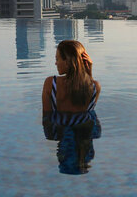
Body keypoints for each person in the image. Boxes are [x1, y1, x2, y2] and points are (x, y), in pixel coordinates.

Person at [42, 40, 101, 174]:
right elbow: (90, 110)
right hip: (86, 132)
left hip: (60, 131)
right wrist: (89, 74)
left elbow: (47, 119)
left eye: (57, 59)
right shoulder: (95, 87)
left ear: (67, 61)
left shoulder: (50, 84)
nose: (55, 63)